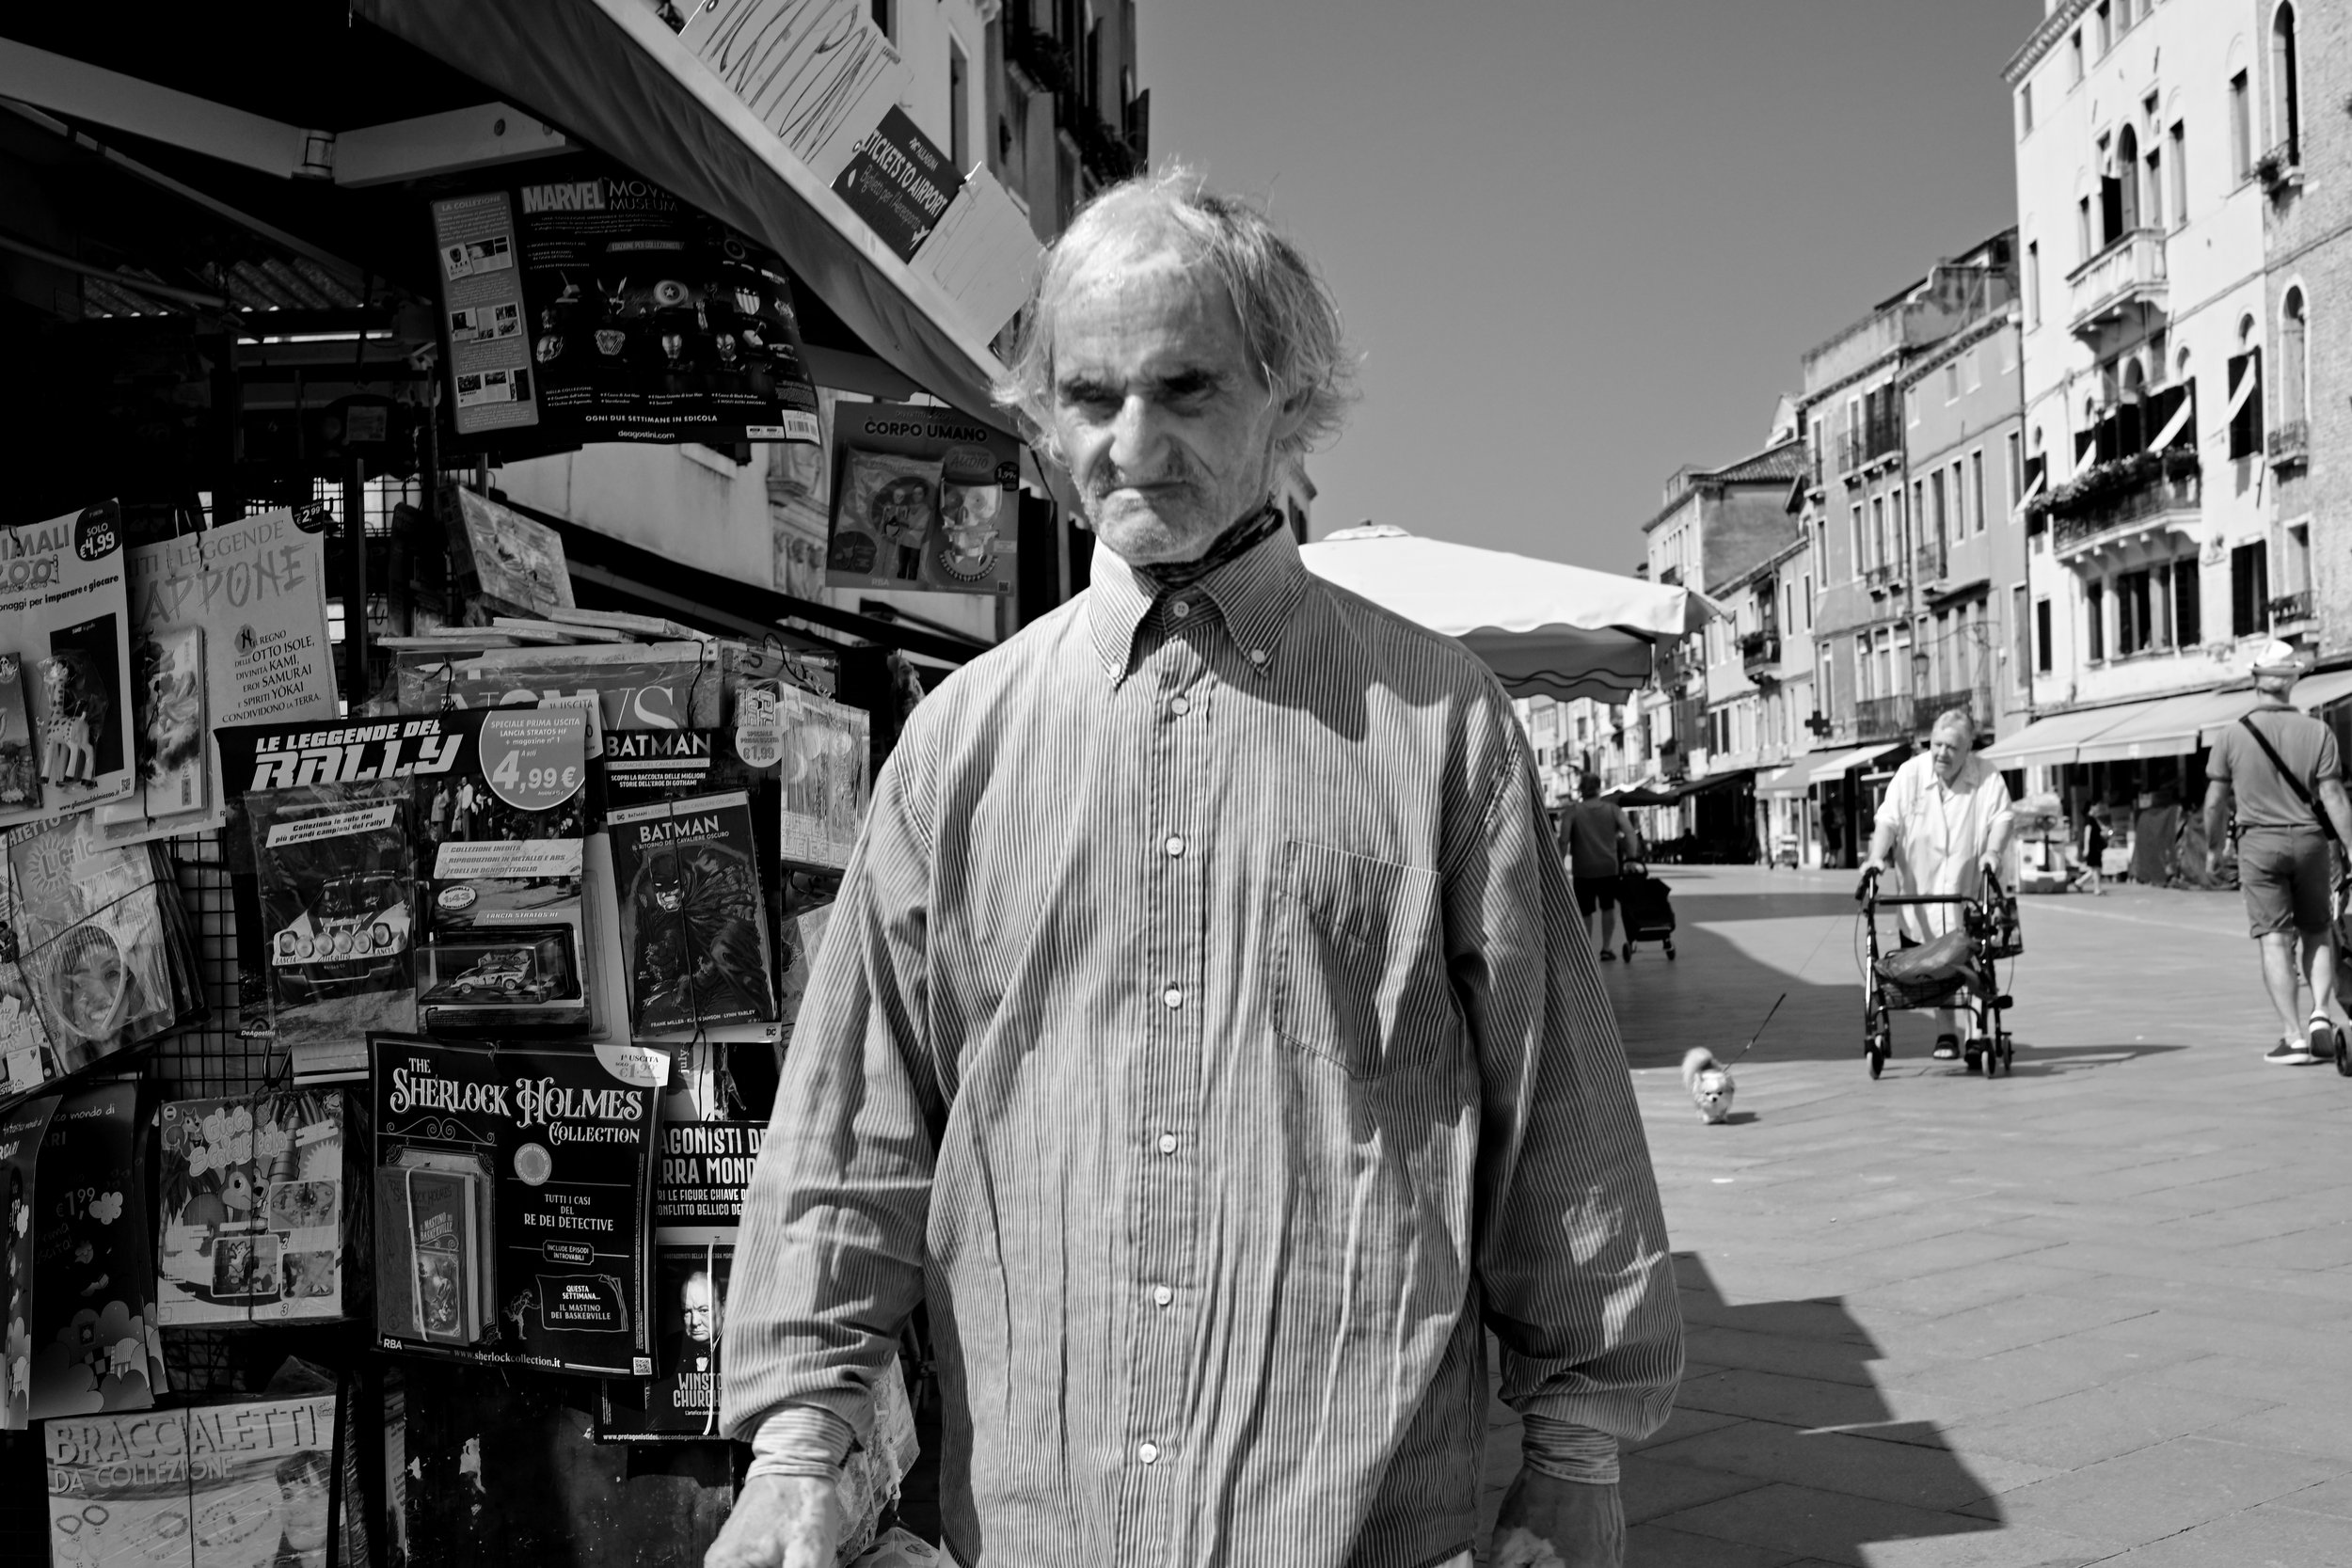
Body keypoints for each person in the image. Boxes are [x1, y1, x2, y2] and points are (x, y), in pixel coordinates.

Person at [707, 168, 1681, 1568]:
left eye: (1188, 388)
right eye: (1092, 397)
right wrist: (799, 1439)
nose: (1135, 442)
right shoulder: (957, 746)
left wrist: (1578, 1454)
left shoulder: (1443, 723)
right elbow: (851, 1128)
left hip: (1363, 1519)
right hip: (1051, 1519)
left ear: (1287, 399)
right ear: (1042, 421)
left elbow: (1558, 1111)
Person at [2201, 641, 2352, 1065]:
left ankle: (2293, 1036)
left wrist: (2213, 847)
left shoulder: (2232, 734)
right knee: (2318, 930)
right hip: (2310, 843)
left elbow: (2215, 801)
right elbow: (2334, 795)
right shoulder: (2318, 731)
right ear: (2292, 681)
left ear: (2255, 680)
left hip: (2258, 844)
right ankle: (2321, 1012)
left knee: (2274, 939)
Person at [1859, 708, 2015, 1061]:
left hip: (1967, 890)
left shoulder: (1986, 776)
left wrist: (1993, 851)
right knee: (1928, 969)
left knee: (1974, 961)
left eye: (1952, 747)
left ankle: (1977, 1035)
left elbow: (2003, 817)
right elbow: (1888, 820)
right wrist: (1875, 858)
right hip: (1919, 894)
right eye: (1936, 744)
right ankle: (1947, 1033)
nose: (1942, 753)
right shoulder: (1910, 773)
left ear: (1968, 748)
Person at [1561, 772, 1643, 959]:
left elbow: (1564, 840)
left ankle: (1586, 950)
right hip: (1609, 868)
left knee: (1585, 911)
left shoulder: (1572, 812)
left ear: (1581, 789)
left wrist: (1560, 862)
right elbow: (1630, 833)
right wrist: (1631, 857)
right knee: (1608, 907)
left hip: (1583, 869)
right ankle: (1606, 948)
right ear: (1599, 788)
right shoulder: (1612, 810)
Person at [2074, 801, 2109, 895]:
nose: (2097, 808)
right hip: (2092, 847)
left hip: (2096, 847)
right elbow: (2087, 835)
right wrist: (2086, 848)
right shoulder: (2089, 819)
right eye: (2095, 806)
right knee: (2095, 868)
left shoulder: (2093, 819)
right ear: (2091, 807)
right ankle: (2097, 889)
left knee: (2096, 869)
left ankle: (2080, 882)